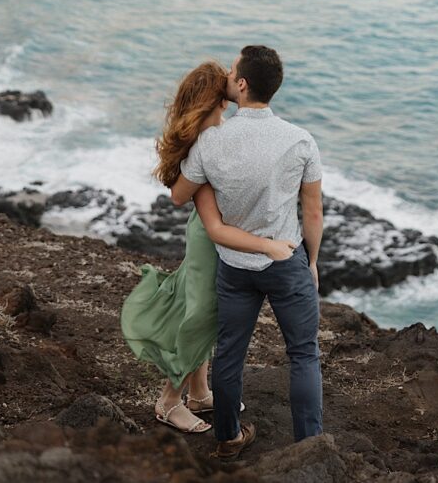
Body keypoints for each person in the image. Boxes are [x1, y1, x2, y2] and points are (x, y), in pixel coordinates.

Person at [120, 61, 296, 435]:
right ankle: (169, 401)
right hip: (209, 235)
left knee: (204, 310)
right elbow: (179, 195)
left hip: (215, 231)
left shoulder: (221, 129)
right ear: (218, 95)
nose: (236, 77)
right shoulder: (209, 135)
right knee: (201, 315)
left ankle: (199, 393)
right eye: (230, 75)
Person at [172, 45, 324, 462]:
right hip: (285, 259)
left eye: (233, 68)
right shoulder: (300, 140)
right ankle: (310, 447)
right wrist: (310, 262)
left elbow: (180, 193)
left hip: (235, 265)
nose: (228, 73)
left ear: (241, 84)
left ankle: (228, 438)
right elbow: (312, 211)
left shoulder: (210, 142)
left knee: (230, 353)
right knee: (303, 354)